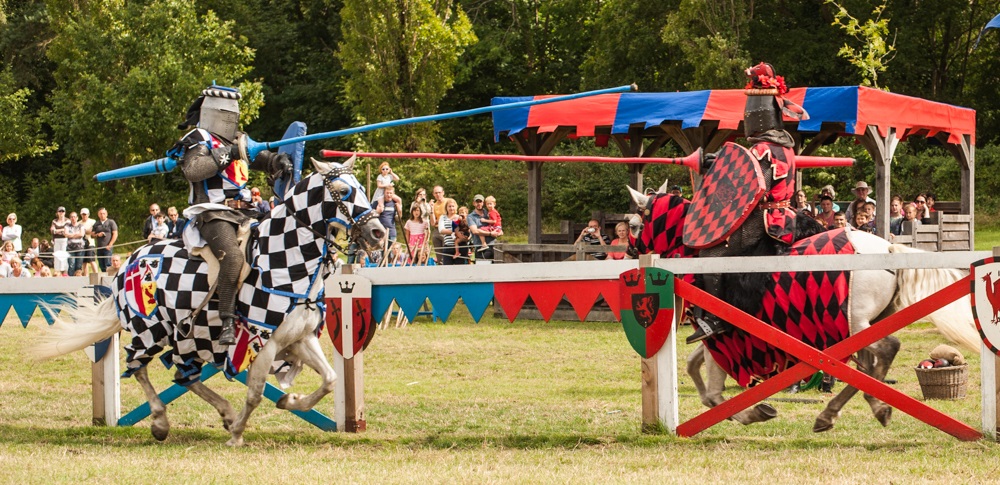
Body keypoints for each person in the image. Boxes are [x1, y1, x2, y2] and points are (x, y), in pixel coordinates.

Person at [687, 62, 809, 344]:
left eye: (751, 114)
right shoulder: (785, 146)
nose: (747, 119)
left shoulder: (763, 148)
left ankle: (717, 318)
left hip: (766, 220)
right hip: (786, 214)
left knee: (711, 257)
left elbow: (748, 183)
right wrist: (717, 162)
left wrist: (713, 167)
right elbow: (744, 170)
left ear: (760, 116)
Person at [168, 85, 293, 345]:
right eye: (225, 112)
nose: (230, 118)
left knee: (276, 245)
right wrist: (231, 152)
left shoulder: (236, 138)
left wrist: (276, 160)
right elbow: (194, 170)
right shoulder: (198, 139)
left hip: (245, 211)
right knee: (233, 257)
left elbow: (258, 157)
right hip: (212, 213)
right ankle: (226, 320)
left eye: (233, 112)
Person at [466, 194, 497, 262]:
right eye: (477, 202)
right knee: (482, 271)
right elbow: (475, 231)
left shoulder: (489, 213)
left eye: (480, 202)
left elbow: (496, 224)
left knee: (495, 270)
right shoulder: (470, 217)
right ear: (474, 203)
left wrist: (498, 232)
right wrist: (490, 233)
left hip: (493, 245)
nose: (479, 203)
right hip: (480, 247)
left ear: (483, 203)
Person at [430, 186, 456, 262]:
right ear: (433, 194)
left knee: (448, 253)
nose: (438, 194)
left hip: (448, 228)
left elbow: (454, 213)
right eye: (436, 193)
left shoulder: (449, 201)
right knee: (439, 256)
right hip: (437, 230)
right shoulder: (434, 205)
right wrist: (431, 210)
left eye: (439, 192)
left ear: (443, 193)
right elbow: (433, 223)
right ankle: (440, 263)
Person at [437, 200, 459, 265]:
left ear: (456, 207)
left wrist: (453, 231)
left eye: (453, 206)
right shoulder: (442, 217)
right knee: (447, 267)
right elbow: (441, 230)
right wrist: (454, 231)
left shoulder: (459, 217)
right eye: (449, 206)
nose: (451, 208)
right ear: (446, 207)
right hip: (448, 246)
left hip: (459, 246)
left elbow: (462, 229)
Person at [64, 211, 85, 276]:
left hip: (80, 248)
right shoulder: (67, 225)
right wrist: (76, 235)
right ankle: (70, 281)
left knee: (79, 265)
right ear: (70, 218)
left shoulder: (81, 225)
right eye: (72, 217)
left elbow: (81, 234)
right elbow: (66, 234)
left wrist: (71, 235)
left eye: (74, 217)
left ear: (77, 218)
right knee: (71, 265)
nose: (73, 218)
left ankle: (79, 280)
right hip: (70, 248)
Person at [79, 208, 99, 275]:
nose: (84, 216)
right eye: (83, 214)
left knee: (91, 260)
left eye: (85, 214)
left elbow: (92, 231)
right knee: (84, 262)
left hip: (90, 243)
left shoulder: (93, 221)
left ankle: (96, 274)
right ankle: (86, 276)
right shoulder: (79, 223)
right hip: (82, 244)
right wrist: (86, 231)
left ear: (88, 214)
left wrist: (83, 231)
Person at [50, 207, 69, 275]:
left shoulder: (67, 221)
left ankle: (64, 271)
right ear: (57, 213)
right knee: (57, 255)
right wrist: (61, 230)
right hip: (56, 240)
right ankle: (57, 271)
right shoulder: (54, 221)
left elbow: (66, 230)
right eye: (60, 211)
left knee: (64, 255)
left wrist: (57, 230)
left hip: (64, 240)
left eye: (62, 211)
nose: (61, 213)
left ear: (65, 212)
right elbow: (52, 231)